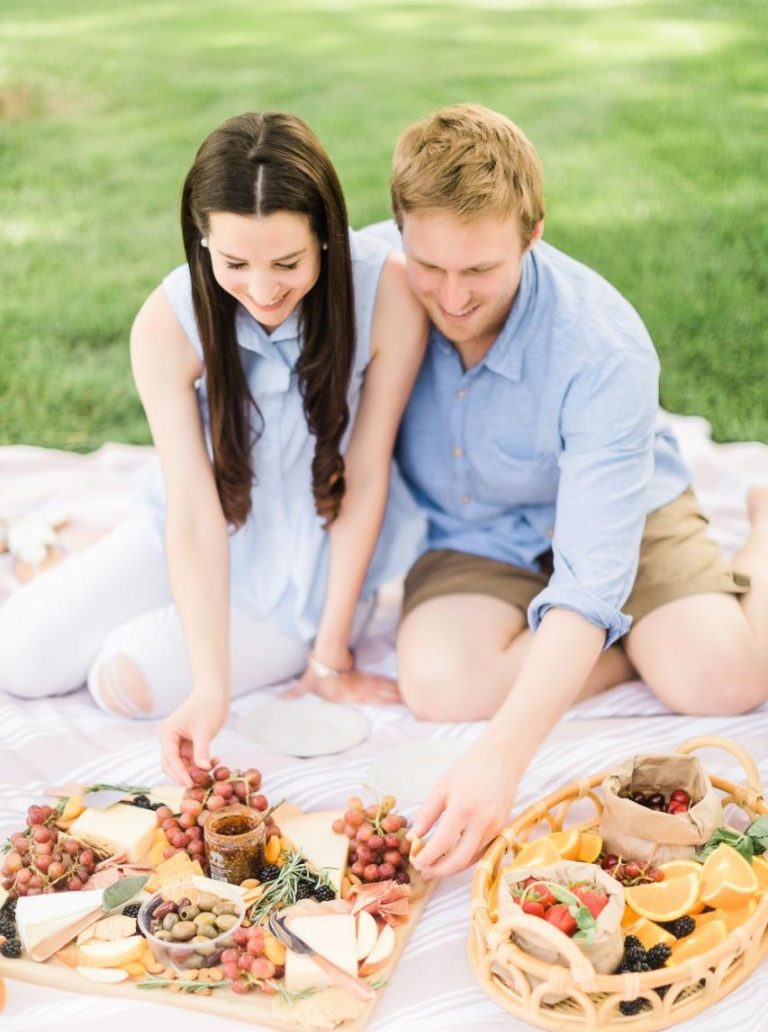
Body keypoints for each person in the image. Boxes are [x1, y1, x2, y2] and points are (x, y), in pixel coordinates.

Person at [371, 103, 768, 879]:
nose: (451, 299)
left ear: (533, 232)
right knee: (439, 685)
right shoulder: (368, 273)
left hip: (626, 513)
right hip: (479, 527)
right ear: (399, 233)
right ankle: (625, 645)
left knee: (722, 681)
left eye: (480, 270)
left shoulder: (604, 348)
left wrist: (497, 763)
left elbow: (590, 572)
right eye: (431, 267)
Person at [0, 111, 427, 783]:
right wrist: (209, 683)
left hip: (306, 569)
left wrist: (329, 653)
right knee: (19, 656)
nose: (263, 291)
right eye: (235, 263)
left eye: (288, 262)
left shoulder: (390, 292)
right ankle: (103, 573)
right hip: (200, 527)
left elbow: (366, 476)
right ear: (201, 243)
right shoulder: (167, 323)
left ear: (327, 236)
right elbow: (195, 515)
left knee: (125, 680)